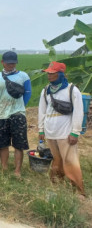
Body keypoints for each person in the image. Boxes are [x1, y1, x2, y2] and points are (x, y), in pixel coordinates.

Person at [38, 61, 86, 199]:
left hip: (65, 131)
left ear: (60, 74)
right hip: (50, 130)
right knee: (56, 159)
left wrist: (75, 132)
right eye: (48, 73)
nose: (49, 76)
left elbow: (79, 111)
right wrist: (41, 130)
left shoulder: (72, 90)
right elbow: (42, 111)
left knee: (70, 160)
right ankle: (57, 183)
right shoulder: (46, 90)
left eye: (52, 73)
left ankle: (79, 191)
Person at [0, 51, 31, 177]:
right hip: (1, 115)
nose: (11, 65)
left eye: (13, 63)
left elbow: (28, 93)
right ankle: (4, 168)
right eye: (8, 63)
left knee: (19, 145)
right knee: (2, 144)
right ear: (2, 63)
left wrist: (21, 107)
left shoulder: (23, 76)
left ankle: (17, 171)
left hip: (18, 114)